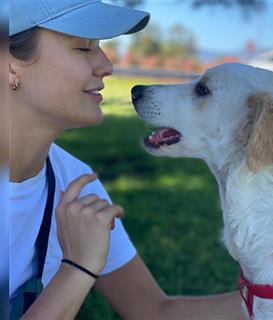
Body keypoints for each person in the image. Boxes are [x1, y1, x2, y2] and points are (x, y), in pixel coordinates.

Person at [9, 1, 242, 319]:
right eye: (83, 48)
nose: (106, 65)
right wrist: (77, 268)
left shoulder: (75, 184)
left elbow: (153, 311)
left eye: (100, 48)